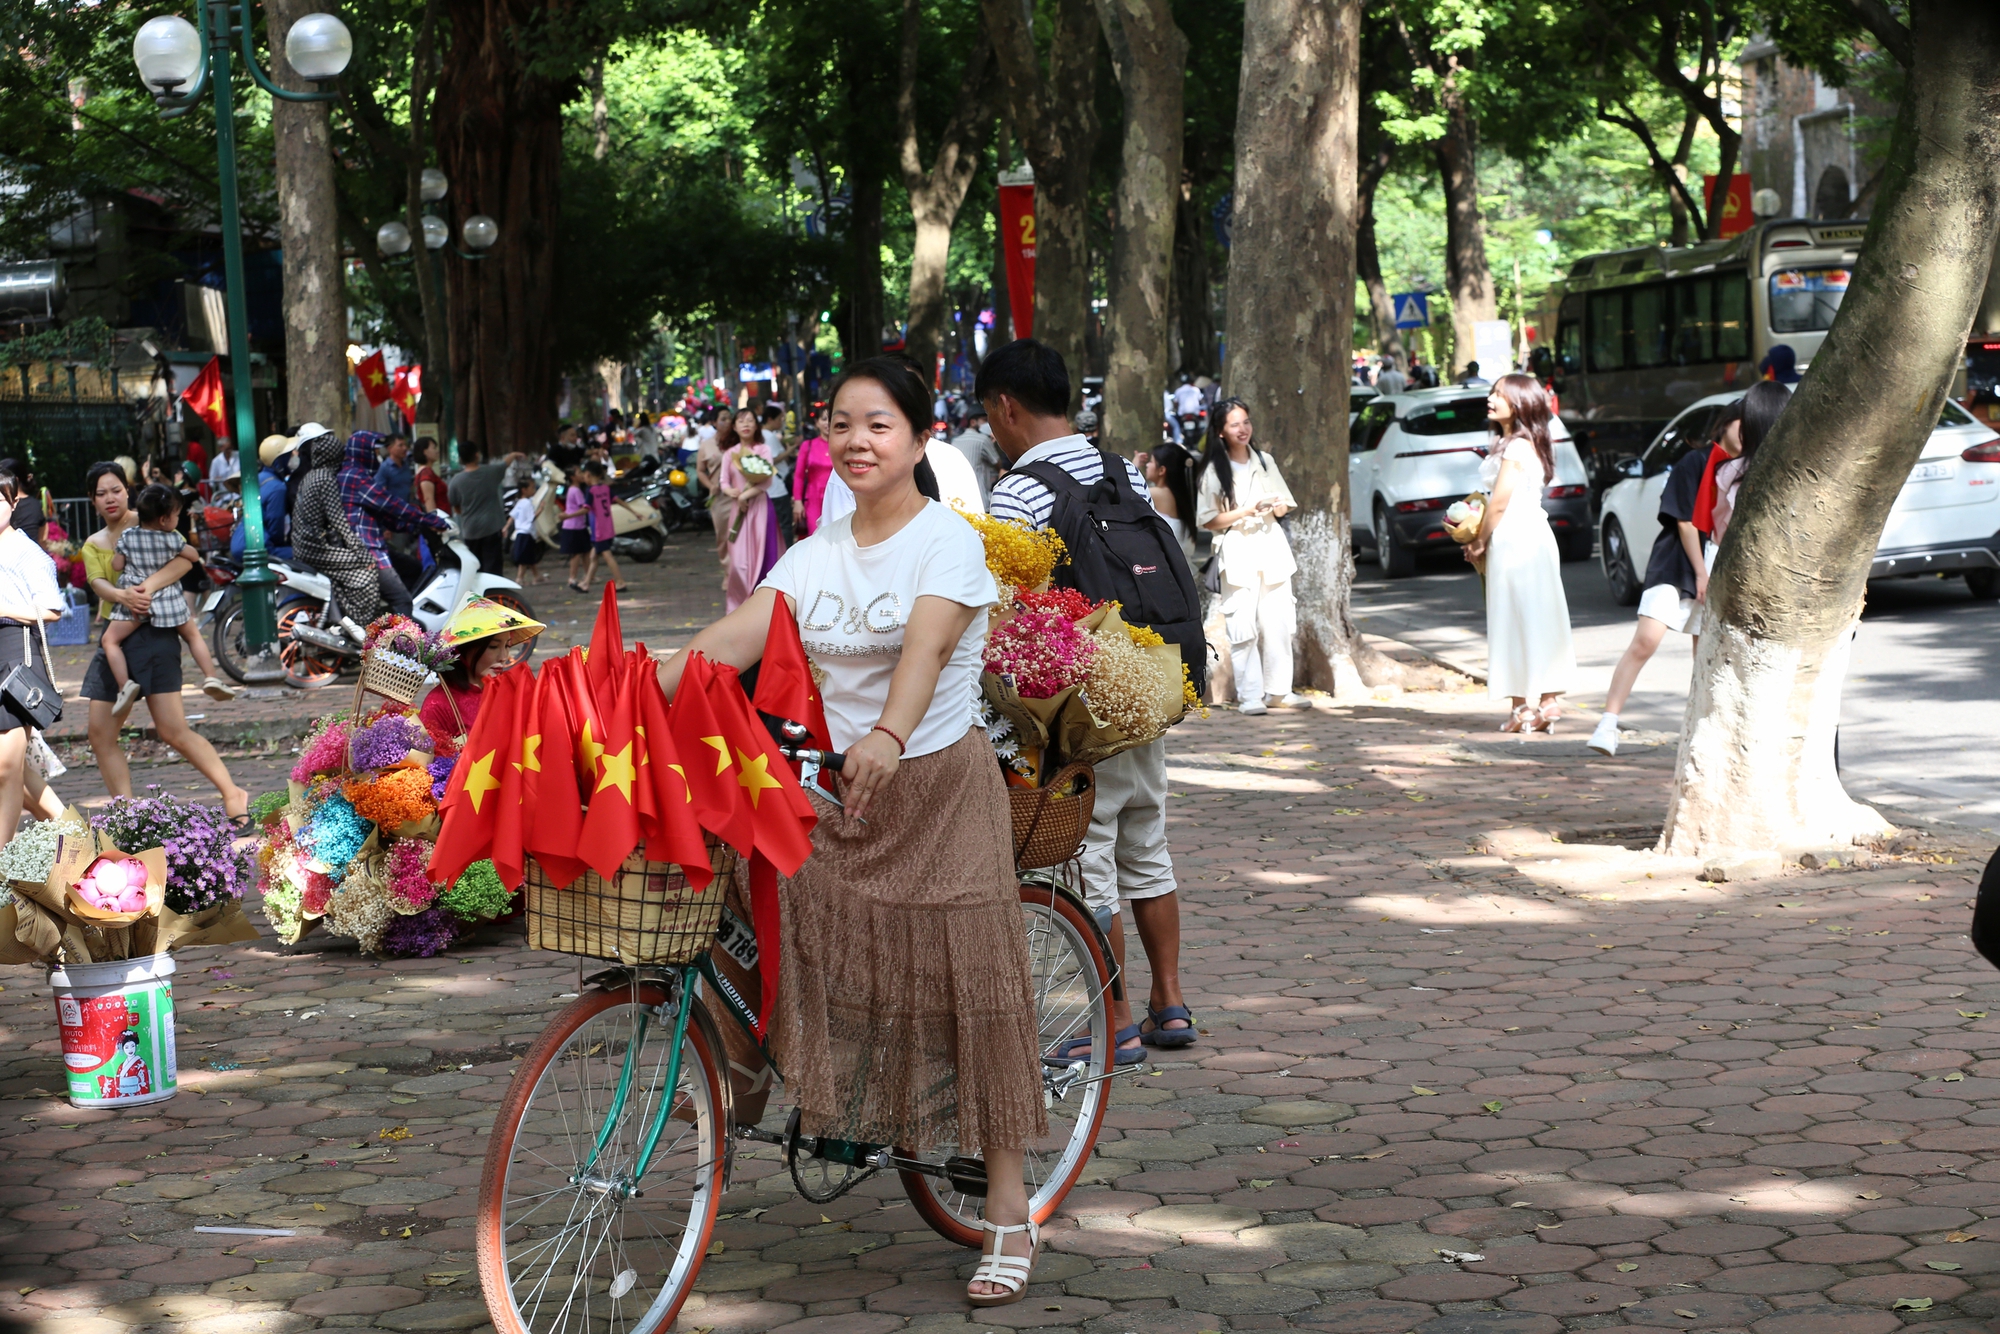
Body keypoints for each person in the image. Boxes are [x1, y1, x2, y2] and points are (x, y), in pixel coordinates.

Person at [662, 353, 1048, 1306]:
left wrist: (885, 730)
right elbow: (732, 642)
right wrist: (618, 684)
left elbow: (923, 651)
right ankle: (751, 1062)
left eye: (878, 424)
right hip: (837, 792)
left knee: (974, 989)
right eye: (840, 422)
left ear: (920, 439)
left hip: (937, 789)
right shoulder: (813, 550)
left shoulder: (947, 542)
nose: (855, 440)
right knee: (733, 885)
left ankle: (1006, 1210)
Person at [984, 338, 1200, 1066]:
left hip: (1075, 702)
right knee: (1149, 841)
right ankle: (1169, 1004)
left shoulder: (1020, 488)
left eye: (990, 416)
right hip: (1143, 681)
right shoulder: (1123, 473)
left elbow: (1005, 603)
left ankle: (1113, 1021)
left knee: (1089, 858)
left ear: (1006, 406)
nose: (992, 429)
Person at [1589, 393, 1775, 756]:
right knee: (1645, 641)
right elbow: (1685, 521)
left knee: (1703, 655)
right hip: (1677, 562)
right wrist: (1701, 573)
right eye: (1742, 425)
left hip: (1720, 564)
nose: (1747, 434)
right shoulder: (1696, 461)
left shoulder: (1749, 467)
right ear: (1724, 425)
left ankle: (1699, 734)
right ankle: (1607, 723)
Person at [78, 461, 250, 823]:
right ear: (92, 500)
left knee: (173, 731)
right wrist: (124, 597)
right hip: (118, 634)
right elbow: (97, 583)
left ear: (128, 490)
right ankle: (128, 815)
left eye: (115, 490)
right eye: (100, 493)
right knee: (100, 733)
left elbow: (186, 563)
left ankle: (234, 793)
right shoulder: (93, 544)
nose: (109, 498)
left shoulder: (155, 518)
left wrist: (146, 588)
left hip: (157, 633)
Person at [1463, 374, 1576, 732]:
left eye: (1500, 394)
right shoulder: (1532, 443)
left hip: (1511, 535)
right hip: (1536, 533)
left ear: (1521, 403)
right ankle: (1548, 701)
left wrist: (1479, 540)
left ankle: (1521, 708)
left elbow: (1498, 503)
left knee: (1510, 615)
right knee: (1544, 612)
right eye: (1492, 392)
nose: (1491, 399)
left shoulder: (1514, 447)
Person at [1196, 398, 1306, 714]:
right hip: (1237, 551)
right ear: (1220, 431)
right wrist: (1245, 510)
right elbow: (1207, 519)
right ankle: (1250, 696)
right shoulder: (1213, 471)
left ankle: (1280, 691)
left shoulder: (1264, 460)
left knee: (1279, 622)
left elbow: (1285, 504)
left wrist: (1273, 504)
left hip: (1271, 546)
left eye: (1246, 422)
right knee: (1242, 625)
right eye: (1234, 424)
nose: (1242, 429)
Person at [101, 483, 238, 710]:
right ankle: (211, 676)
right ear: (164, 520)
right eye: (177, 515)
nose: (178, 519)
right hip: (169, 601)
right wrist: (181, 546)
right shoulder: (172, 538)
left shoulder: (128, 537)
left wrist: (118, 551)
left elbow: (117, 566)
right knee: (193, 636)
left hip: (137, 601)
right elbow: (193, 556)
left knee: (110, 640)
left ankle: (125, 685)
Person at [0, 487, 67, 846]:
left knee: (6, 767)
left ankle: (1, 859)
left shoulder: (29, 553)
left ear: (12, 503)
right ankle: (77, 839)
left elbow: (53, 611)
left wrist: (5, 610)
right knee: (15, 770)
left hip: (17, 653)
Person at [290, 425, 396, 635]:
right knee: (366, 572)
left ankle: (344, 620)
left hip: (302, 545)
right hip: (315, 549)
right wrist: (362, 554)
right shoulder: (326, 479)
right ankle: (361, 625)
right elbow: (339, 521)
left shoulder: (311, 476)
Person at [339, 431, 450, 614]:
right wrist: (425, 518)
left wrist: (412, 525)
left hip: (370, 543)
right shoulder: (355, 477)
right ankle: (398, 641)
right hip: (366, 550)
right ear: (361, 452)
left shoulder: (355, 474)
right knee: (402, 600)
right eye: (372, 452)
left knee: (414, 568)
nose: (375, 457)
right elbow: (390, 504)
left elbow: (381, 513)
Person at [417, 596, 545, 746]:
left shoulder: (513, 690)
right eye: (493, 647)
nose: (504, 657)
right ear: (464, 649)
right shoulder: (439, 703)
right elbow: (426, 762)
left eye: (508, 646)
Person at [718, 414, 775, 612]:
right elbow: (723, 481)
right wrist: (730, 492)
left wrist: (745, 496)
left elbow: (767, 481)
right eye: (741, 421)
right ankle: (738, 607)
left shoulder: (763, 449)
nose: (746, 425)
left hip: (759, 508)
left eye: (750, 420)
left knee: (762, 557)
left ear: (756, 425)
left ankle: (761, 607)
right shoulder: (729, 454)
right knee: (738, 564)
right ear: (734, 426)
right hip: (738, 511)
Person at [446, 441, 526, 575]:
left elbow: (456, 506)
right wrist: (513, 454)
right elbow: (504, 463)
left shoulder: (456, 481)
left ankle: (479, 595)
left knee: (476, 569)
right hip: (492, 527)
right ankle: (495, 594)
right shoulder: (490, 472)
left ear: (460, 459)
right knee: (493, 567)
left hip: (470, 530)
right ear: (477, 455)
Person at [232, 434, 295, 563]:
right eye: (288, 455)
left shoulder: (260, 478)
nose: (293, 457)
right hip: (257, 547)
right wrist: (280, 544)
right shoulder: (278, 488)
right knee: (304, 555)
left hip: (240, 543)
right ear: (278, 462)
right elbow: (275, 524)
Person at [580, 461, 631, 593]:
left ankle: (620, 581)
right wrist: (635, 512)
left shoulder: (591, 491)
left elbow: (586, 509)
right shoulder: (606, 489)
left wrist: (568, 516)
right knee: (594, 557)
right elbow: (619, 501)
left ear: (588, 474)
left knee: (608, 556)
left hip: (599, 530)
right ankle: (585, 583)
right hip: (608, 527)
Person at [1147, 441, 1198, 564]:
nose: (1147, 465)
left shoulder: (1157, 494)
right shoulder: (1184, 496)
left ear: (1161, 470)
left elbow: (1126, 494)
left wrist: (1133, 467)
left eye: (1151, 461)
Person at [950, 405, 1003, 505]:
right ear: (973, 422)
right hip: (980, 499)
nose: (987, 424)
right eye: (984, 420)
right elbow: (998, 465)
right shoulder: (983, 440)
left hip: (957, 499)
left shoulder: (955, 441)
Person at [793, 405, 835, 535]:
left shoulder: (842, 445)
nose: (827, 423)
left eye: (831, 418)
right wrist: (798, 501)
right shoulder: (808, 446)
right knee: (815, 536)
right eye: (823, 419)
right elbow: (799, 476)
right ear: (816, 422)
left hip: (837, 497)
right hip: (813, 500)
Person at [506, 485, 547, 586]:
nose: (533, 490)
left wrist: (506, 527)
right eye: (531, 488)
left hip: (520, 532)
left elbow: (512, 516)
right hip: (527, 532)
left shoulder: (519, 502)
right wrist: (541, 510)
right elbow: (531, 518)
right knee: (524, 558)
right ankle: (519, 578)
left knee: (529, 556)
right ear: (524, 490)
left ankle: (537, 576)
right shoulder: (528, 503)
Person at [559, 468, 593, 591]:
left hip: (578, 526)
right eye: (579, 473)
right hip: (574, 526)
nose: (582, 475)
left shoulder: (573, 490)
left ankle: (588, 575)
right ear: (573, 477)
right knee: (577, 553)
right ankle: (572, 577)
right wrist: (568, 516)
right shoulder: (576, 491)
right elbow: (584, 508)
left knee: (585, 552)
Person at [413, 437, 451, 515]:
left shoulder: (425, 471)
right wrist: (435, 522)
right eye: (434, 448)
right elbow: (428, 499)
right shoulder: (426, 473)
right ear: (425, 452)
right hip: (439, 520)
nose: (437, 451)